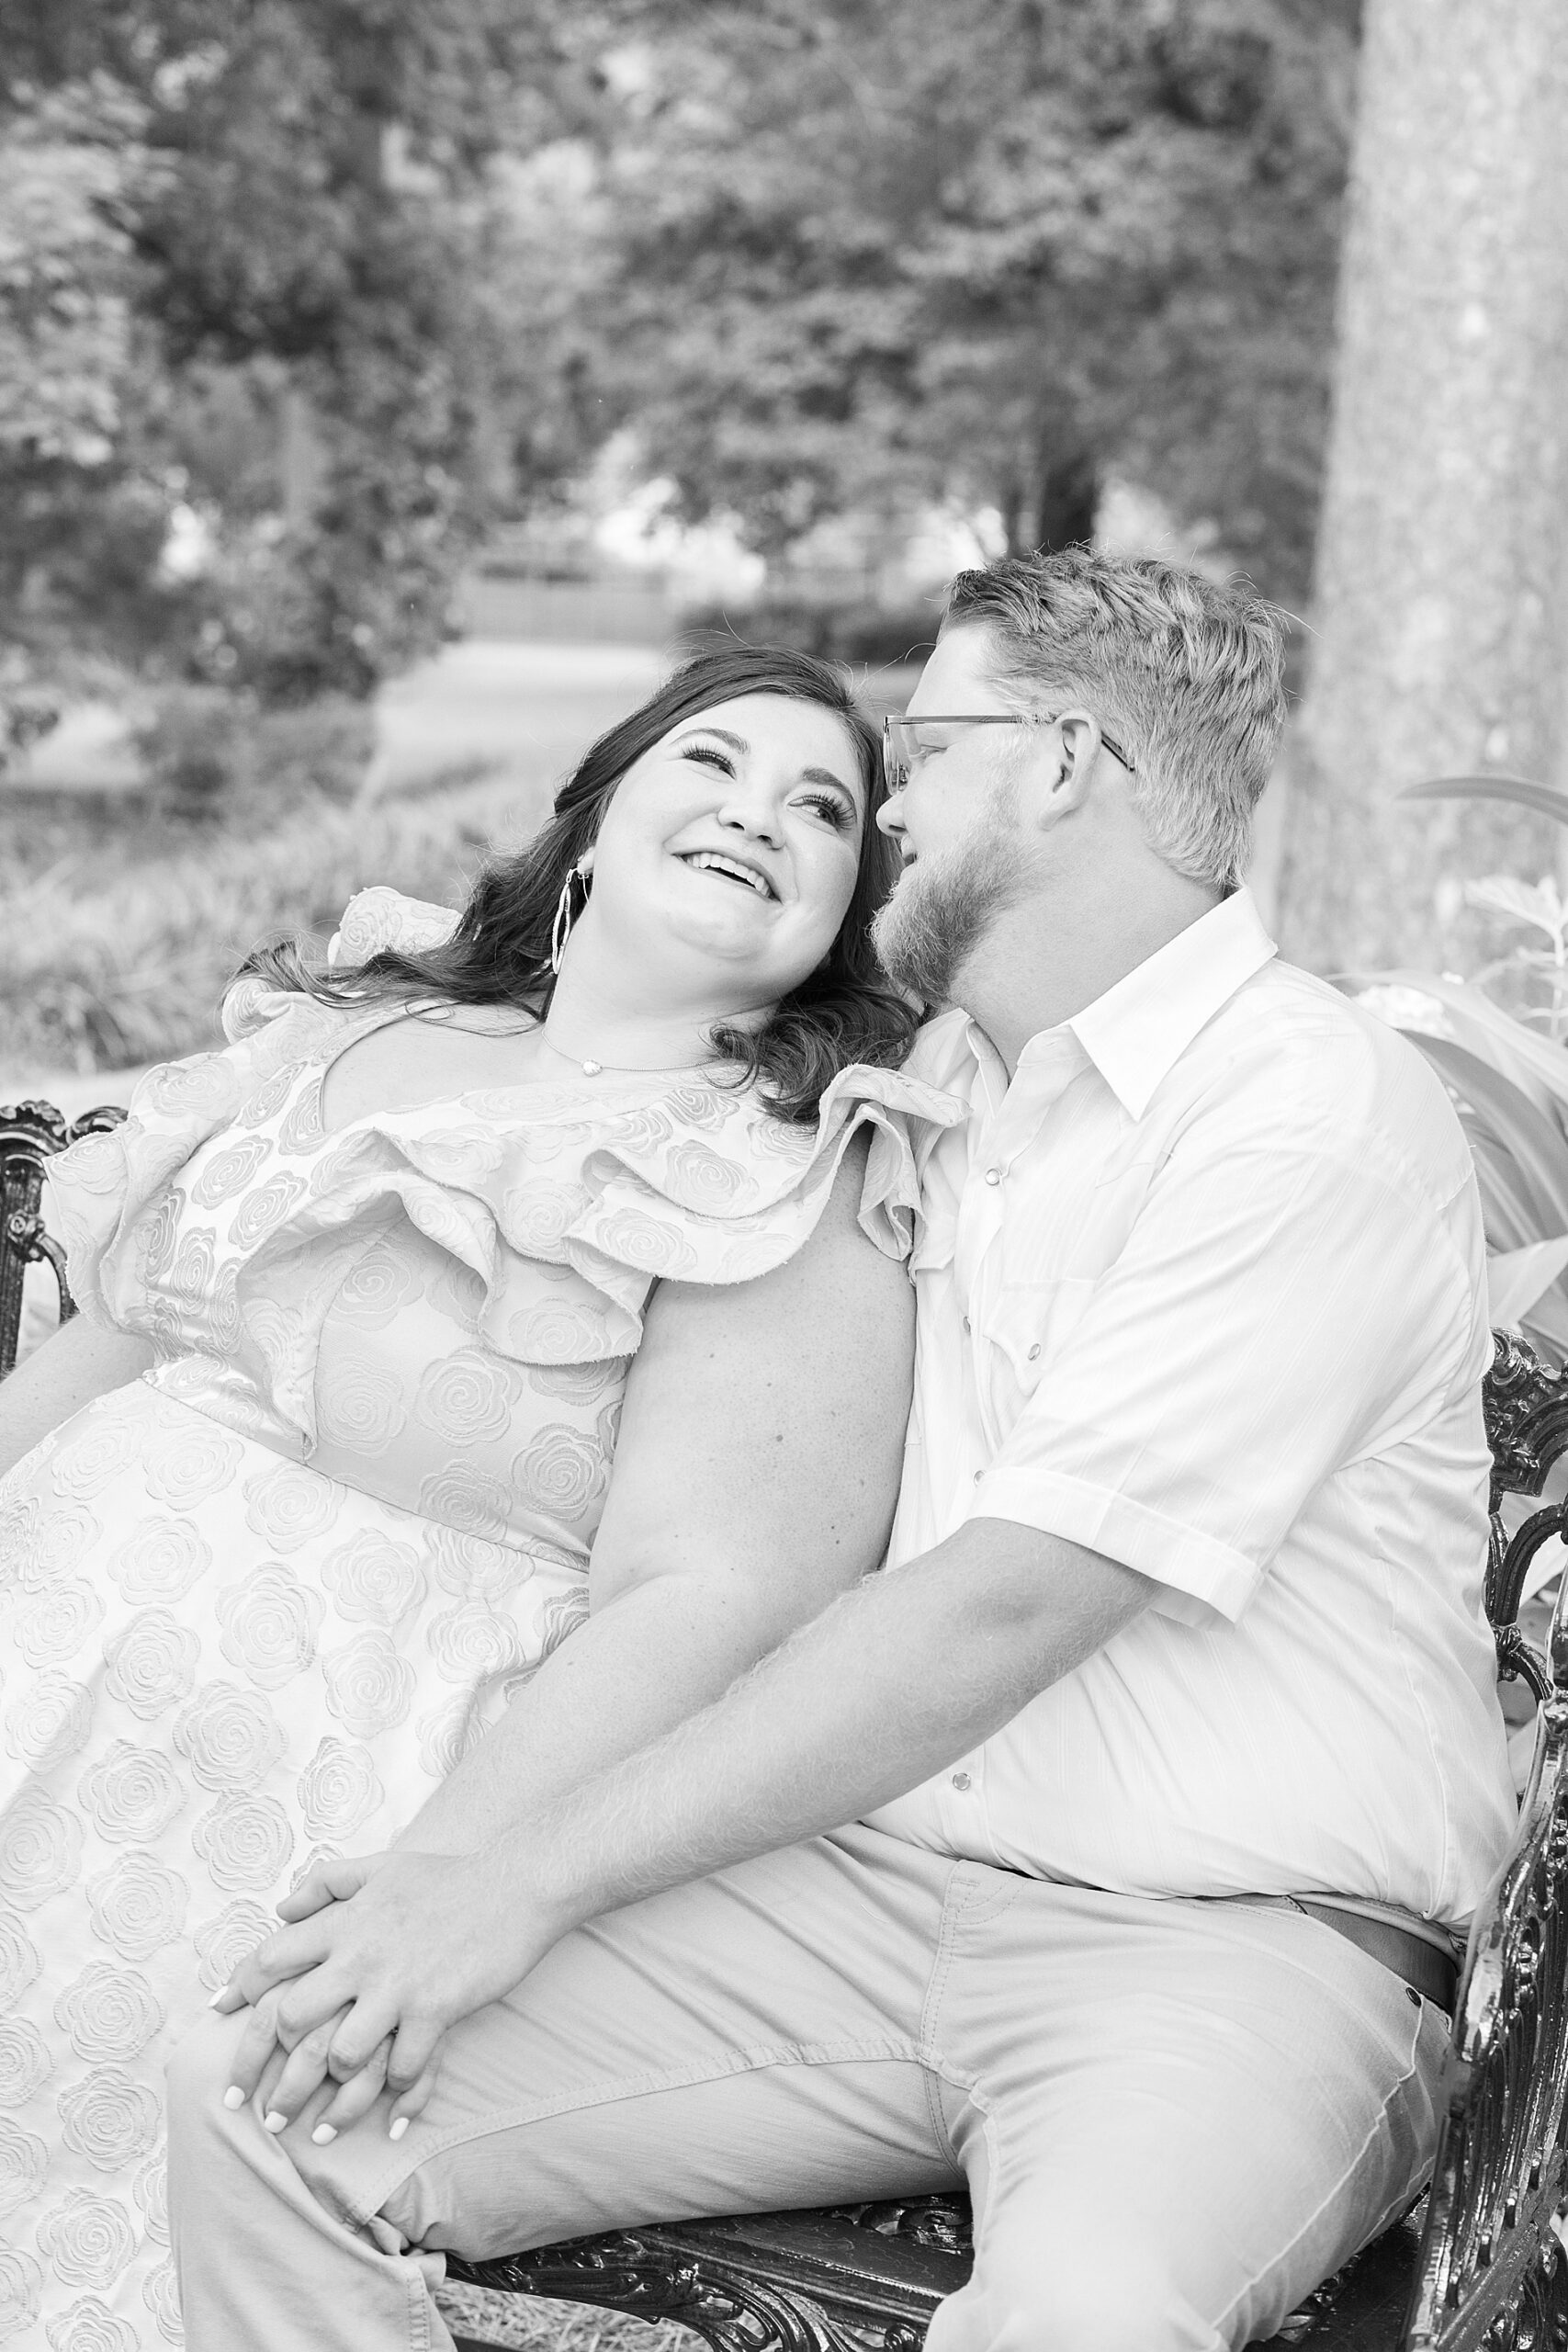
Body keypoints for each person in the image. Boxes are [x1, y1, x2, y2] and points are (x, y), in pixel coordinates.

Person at [168, 549, 1517, 2352]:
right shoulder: (944, 1080)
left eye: (915, 752)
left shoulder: (1297, 1109)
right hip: (868, 1894)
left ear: (1055, 764)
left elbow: (1002, 1604)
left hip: (1230, 1943)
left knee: (1072, 2323)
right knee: (269, 2083)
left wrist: (513, 1871)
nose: (883, 808)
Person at [0, 646, 962, 2351]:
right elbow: (123, 1338)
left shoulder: (784, 1165)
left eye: (823, 810)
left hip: (309, 1767)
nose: (763, 812)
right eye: (714, 763)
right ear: (592, 825)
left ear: (839, 921)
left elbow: (713, 1591)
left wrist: (437, 1885)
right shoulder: (357, 1023)